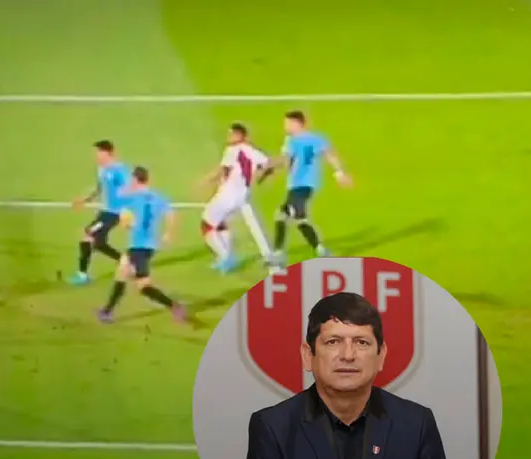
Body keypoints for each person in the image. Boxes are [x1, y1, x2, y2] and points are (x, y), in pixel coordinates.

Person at [239, 292, 456, 459]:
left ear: (381, 355)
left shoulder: (416, 424)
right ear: (308, 355)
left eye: (362, 342)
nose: (348, 355)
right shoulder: (273, 429)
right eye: (333, 342)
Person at [259, 111, 351, 272]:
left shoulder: (292, 141)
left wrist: (267, 166)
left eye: (288, 123)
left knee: (283, 214)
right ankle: (321, 250)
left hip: (303, 184)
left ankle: (279, 253)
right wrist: (339, 173)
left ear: (297, 123)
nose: (285, 127)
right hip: (301, 184)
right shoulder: (317, 138)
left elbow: (286, 160)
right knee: (299, 218)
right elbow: (330, 155)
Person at [97, 166, 186, 323]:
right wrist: (168, 233)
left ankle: (174, 306)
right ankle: (106, 311)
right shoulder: (159, 197)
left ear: (135, 180)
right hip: (149, 245)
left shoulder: (132, 198)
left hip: (138, 246)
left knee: (143, 286)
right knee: (122, 273)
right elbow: (172, 215)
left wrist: (127, 223)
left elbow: (126, 221)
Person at [199, 123, 273, 273]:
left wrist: (205, 181)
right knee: (221, 222)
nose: (228, 137)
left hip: (228, 194)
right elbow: (268, 164)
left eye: (231, 134)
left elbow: (222, 170)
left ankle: (226, 257)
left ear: (239, 136)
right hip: (241, 196)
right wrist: (260, 178)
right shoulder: (253, 150)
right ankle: (227, 256)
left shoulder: (233, 150)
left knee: (206, 225)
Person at [67, 140, 131, 285]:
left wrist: (127, 214)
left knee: (88, 235)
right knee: (99, 243)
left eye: (99, 152)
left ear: (108, 153)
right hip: (105, 212)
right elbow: (99, 188)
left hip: (115, 213)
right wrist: (84, 199)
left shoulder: (119, 170)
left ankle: (82, 275)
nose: (96, 155)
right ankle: (125, 261)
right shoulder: (101, 169)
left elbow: (129, 191)